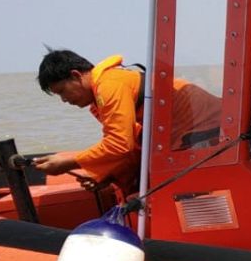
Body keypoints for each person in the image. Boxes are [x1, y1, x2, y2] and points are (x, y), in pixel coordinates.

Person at [34, 50, 222, 192]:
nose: (64, 100)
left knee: (157, 192)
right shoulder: (100, 97)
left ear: (76, 75)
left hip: (206, 128)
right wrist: (106, 174)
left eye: (62, 91)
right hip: (182, 135)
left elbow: (119, 144)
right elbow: (133, 142)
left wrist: (69, 162)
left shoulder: (109, 85)